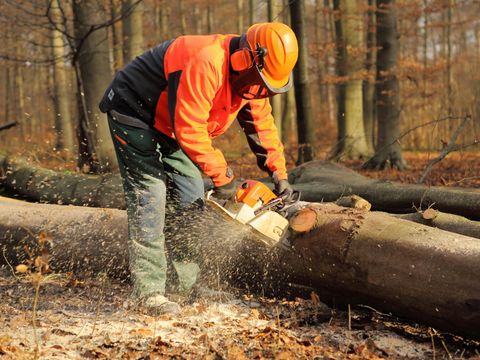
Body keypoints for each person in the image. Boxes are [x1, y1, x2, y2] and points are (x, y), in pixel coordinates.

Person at [99, 22, 298, 314]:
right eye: (260, 83)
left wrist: (278, 173)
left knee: (191, 197)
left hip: (171, 126)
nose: (260, 91)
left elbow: (262, 125)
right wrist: (223, 177)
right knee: (150, 197)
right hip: (135, 112)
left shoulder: (251, 83)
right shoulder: (207, 61)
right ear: (245, 60)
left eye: (266, 86)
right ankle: (149, 292)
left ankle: (185, 287)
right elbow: (190, 128)